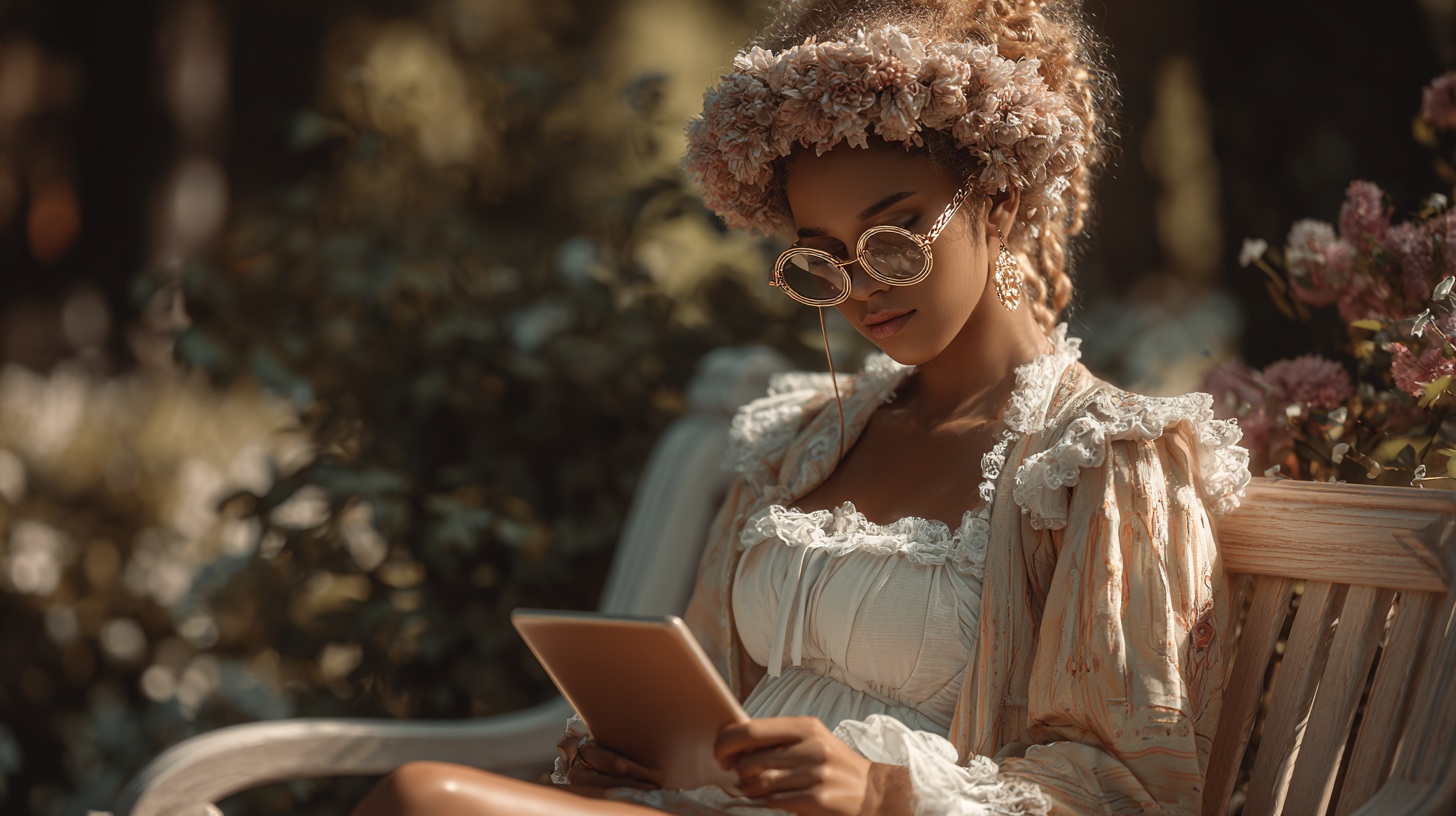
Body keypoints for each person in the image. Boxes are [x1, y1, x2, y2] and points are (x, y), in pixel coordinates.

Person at [352, 0, 1252, 813]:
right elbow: (707, 693)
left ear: (1002, 200)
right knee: (419, 801)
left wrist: (879, 794)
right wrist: (630, 756)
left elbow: (1130, 789)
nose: (859, 289)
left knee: (422, 802)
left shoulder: (1101, 461)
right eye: (821, 257)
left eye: (894, 240)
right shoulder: (799, 445)